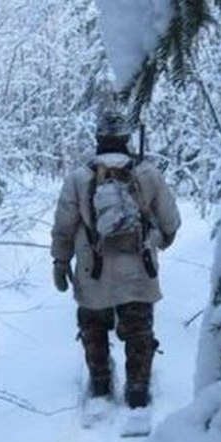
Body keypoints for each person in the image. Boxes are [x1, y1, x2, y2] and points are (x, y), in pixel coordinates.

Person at [50, 109, 181, 409]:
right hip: (138, 269)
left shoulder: (79, 177)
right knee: (139, 331)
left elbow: (64, 226)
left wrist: (60, 261)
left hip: (92, 270)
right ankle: (137, 388)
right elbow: (171, 221)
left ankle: (100, 382)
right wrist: (158, 241)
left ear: (98, 139)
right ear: (126, 139)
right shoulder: (147, 173)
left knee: (93, 326)